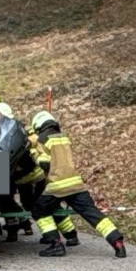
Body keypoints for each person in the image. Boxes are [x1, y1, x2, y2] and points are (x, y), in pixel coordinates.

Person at [27, 110, 126, 258]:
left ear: (38, 125)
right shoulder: (63, 137)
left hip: (57, 185)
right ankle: (117, 243)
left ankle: (55, 244)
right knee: (92, 213)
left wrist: (34, 153)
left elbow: (45, 164)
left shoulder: (42, 139)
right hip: (76, 183)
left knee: (39, 210)